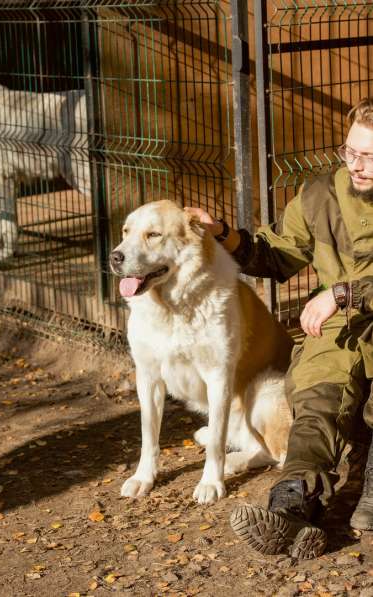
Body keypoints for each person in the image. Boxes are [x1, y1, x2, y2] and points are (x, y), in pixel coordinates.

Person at [186, 98, 373, 560]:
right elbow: (275, 253)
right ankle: (292, 504)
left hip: (350, 309)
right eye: (350, 151)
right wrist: (223, 233)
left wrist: (342, 293)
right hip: (343, 329)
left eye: (369, 155)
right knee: (316, 398)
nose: (356, 164)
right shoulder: (321, 195)